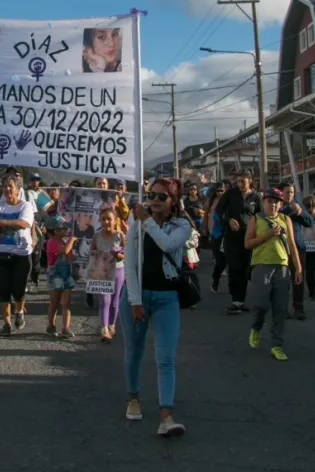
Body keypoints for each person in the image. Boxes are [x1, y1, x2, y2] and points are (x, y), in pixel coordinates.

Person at [123, 177, 190, 437]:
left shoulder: (181, 225)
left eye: (162, 196)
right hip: (138, 296)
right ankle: (133, 397)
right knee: (135, 351)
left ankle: (166, 415)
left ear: (173, 201)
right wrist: (135, 300)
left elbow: (168, 244)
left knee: (165, 358)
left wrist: (146, 220)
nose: (155, 200)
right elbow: (129, 263)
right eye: (152, 194)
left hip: (166, 298)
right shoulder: (136, 223)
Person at [245, 188, 303, 362]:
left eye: (277, 201)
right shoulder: (256, 219)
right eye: (270, 201)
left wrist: (298, 268)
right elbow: (248, 243)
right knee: (261, 304)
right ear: (264, 202)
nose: (274, 204)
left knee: (280, 308)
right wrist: (268, 235)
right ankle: (256, 327)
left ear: (281, 203)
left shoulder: (286, 219)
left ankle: (276, 345)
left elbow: (292, 245)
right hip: (261, 265)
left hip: (282, 267)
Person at [0, 175, 34, 335]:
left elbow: (24, 223)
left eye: (11, 186)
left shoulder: (26, 206)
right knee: (3, 290)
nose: (8, 189)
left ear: (18, 190)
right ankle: (7, 323)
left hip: (21, 254)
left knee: (18, 290)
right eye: (5, 186)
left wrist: (1, 223)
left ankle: (20, 311)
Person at [213, 171, 261, 315]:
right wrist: (228, 220)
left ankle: (241, 300)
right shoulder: (231, 194)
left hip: (248, 237)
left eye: (243, 182)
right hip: (231, 237)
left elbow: (260, 216)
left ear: (250, 181)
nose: (240, 184)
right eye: (238, 181)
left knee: (246, 268)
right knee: (235, 267)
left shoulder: (256, 197)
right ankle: (235, 301)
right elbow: (219, 209)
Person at [277, 182, 314, 321]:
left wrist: (300, 212)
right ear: (281, 193)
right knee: (282, 280)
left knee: (298, 278)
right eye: (287, 192)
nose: (290, 195)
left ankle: (298, 307)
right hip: (280, 247)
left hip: (297, 247)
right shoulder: (276, 205)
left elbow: (310, 222)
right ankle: (282, 308)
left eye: (292, 192)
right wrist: (287, 211)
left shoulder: (297, 204)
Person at [93, 207, 126, 342]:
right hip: (103, 270)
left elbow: (126, 253)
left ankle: (112, 325)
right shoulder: (97, 235)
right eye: (104, 219)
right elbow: (91, 251)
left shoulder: (120, 235)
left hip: (118, 269)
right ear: (100, 221)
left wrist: (118, 255)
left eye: (109, 219)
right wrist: (98, 255)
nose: (106, 222)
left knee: (114, 300)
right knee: (104, 300)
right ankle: (104, 328)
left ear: (115, 220)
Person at [45, 216, 76, 337]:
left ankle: (66, 327)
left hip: (66, 274)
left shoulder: (63, 241)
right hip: (55, 275)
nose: (65, 231)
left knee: (66, 303)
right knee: (54, 302)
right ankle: (50, 325)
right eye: (62, 229)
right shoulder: (52, 242)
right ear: (54, 231)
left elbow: (69, 255)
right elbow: (64, 251)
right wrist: (72, 240)